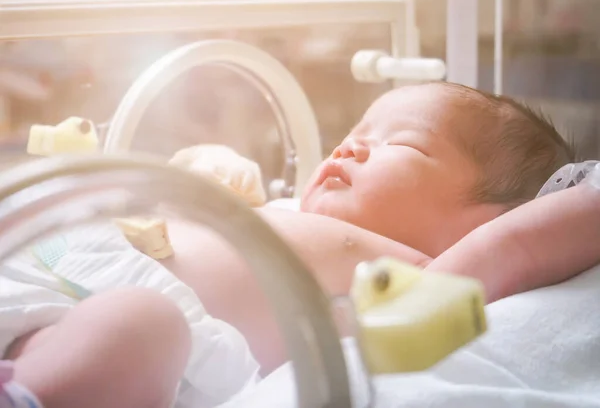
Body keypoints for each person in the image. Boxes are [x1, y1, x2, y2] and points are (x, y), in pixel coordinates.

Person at [1, 82, 596, 408]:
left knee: (140, 329)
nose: (347, 149)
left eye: (404, 145)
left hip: (104, 321)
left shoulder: (422, 279)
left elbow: (533, 238)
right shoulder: (277, 209)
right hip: (53, 251)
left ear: (483, 221)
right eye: (352, 134)